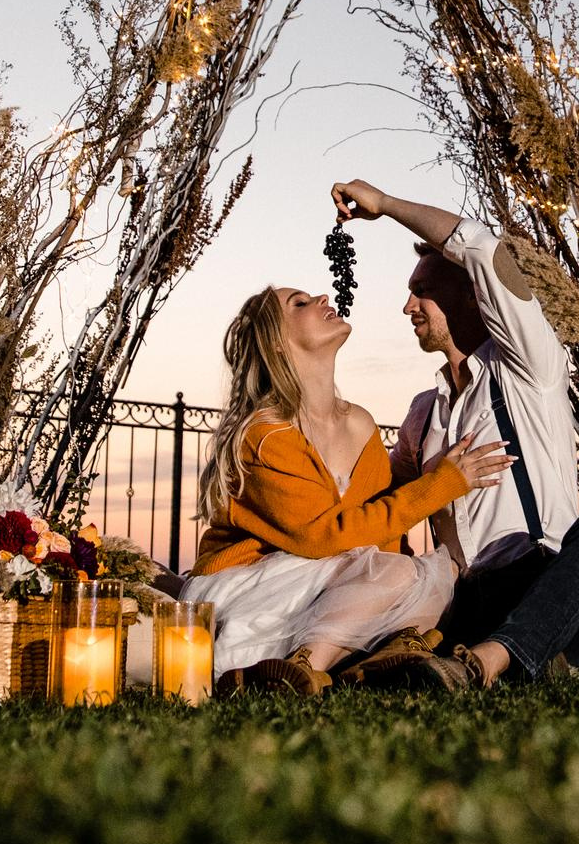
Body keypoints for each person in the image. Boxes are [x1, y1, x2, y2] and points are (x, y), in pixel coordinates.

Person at [329, 179, 579, 689]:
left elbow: (484, 250)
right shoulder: (423, 412)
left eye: (423, 291)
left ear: (473, 296)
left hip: (548, 587)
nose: (409, 307)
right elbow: (376, 493)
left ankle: (493, 661)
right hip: (463, 604)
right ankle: (506, 663)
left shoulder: (527, 369)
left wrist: (384, 203)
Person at [182, 282, 516, 695]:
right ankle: (303, 667)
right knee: (404, 574)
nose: (322, 298)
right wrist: (442, 484)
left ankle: (367, 657)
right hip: (254, 582)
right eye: (299, 303)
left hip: (326, 575)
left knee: (437, 572)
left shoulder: (359, 423)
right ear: (278, 343)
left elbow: (382, 531)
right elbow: (323, 536)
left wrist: (406, 582)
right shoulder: (264, 434)